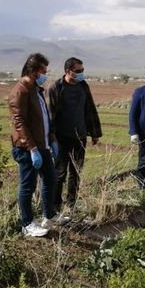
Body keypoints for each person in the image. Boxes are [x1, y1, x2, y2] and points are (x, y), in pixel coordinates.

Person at [8, 53, 61, 237]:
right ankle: (27, 224)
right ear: (33, 71)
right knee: (27, 185)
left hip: (43, 144)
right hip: (27, 148)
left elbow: (45, 118)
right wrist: (31, 149)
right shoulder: (20, 91)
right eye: (43, 71)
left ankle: (49, 216)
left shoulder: (36, 90)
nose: (45, 75)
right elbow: (19, 122)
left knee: (50, 179)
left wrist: (52, 139)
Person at [47, 57, 103, 209]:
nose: (81, 74)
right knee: (60, 172)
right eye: (78, 71)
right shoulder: (56, 88)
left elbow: (90, 109)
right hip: (61, 137)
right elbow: (50, 114)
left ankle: (72, 204)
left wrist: (94, 133)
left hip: (80, 136)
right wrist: (52, 138)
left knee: (76, 172)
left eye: (82, 71)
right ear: (67, 71)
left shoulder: (83, 86)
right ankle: (55, 204)